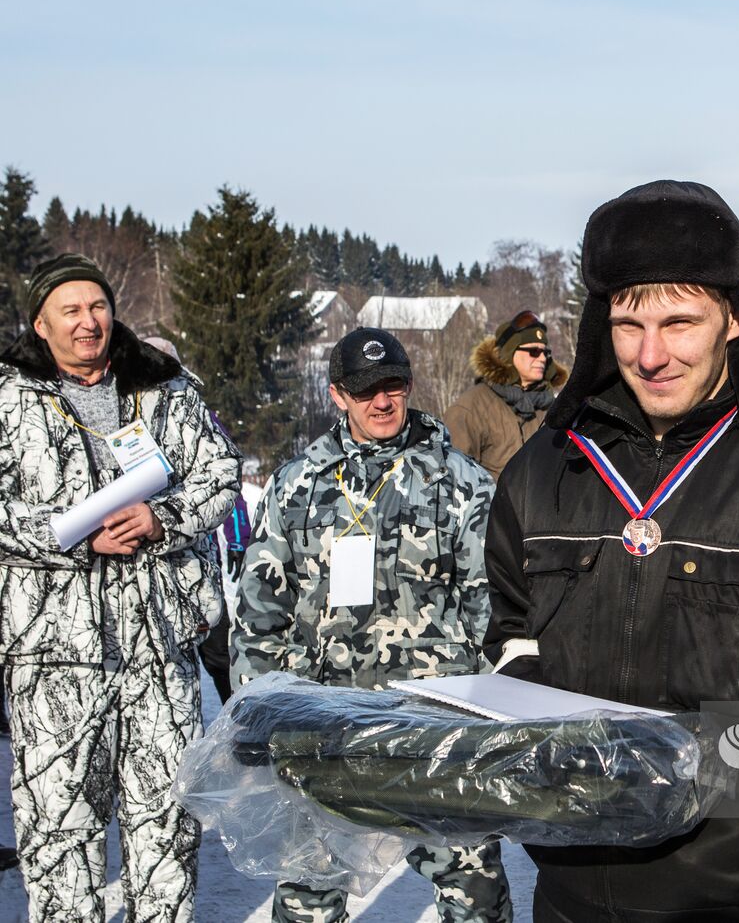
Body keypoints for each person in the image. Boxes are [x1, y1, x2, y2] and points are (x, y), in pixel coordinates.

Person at [484, 179, 739, 922]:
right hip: (576, 890)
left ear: (734, 319)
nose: (651, 355)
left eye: (680, 322)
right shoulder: (544, 467)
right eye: (628, 325)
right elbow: (511, 637)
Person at [233, 327, 512, 923]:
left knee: (475, 895)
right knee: (309, 898)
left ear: (410, 386)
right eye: (365, 391)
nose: (381, 402)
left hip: (433, 727)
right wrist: (255, 710)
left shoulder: (462, 485)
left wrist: (488, 719)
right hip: (324, 724)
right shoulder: (298, 485)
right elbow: (262, 610)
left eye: (392, 387)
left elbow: (490, 610)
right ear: (337, 395)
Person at [0, 253, 240, 921]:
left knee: (165, 828)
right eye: (70, 311)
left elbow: (221, 473)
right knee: (58, 833)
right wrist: (69, 536)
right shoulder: (8, 395)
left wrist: (162, 517)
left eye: (97, 307)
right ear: (41, 325)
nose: (88, 322)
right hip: (52, 657)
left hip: (159, 650)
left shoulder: (162, 385)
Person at [144, 334, 251, 705]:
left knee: (218, 652)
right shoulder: (124, 414)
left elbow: (226, 482)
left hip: (196, 560)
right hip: (144, 567)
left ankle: (239, 722)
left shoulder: (194, 413)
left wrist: (237, 539)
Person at [445, 310, 569, 480]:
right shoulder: (470, 408)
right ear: (509, 354)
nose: (542, 358)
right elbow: (453, 478)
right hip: (491, 505)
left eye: (545, 353)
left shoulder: (551, 409)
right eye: (533, 351)